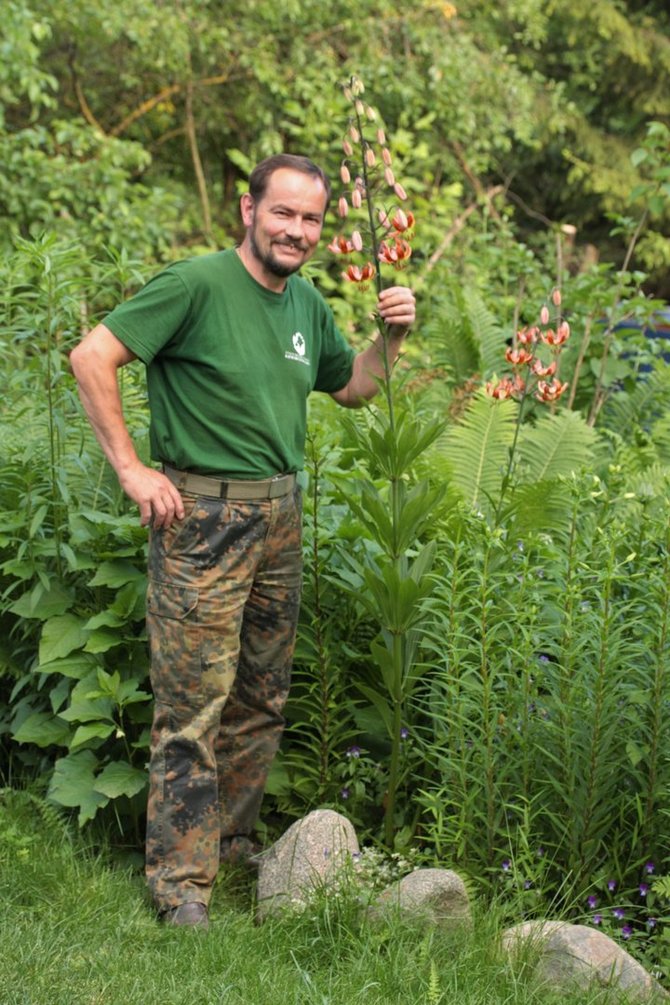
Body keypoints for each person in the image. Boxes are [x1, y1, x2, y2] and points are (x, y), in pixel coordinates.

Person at [70, 153, 415, 929]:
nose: (298, 230)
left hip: (280, 518)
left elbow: (353, 388)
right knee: (192, 704)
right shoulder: (195, 285)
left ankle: (229, 845)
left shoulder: (306, 305)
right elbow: (92, 356)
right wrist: (130, 468)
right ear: (248, 209)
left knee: (261, 698)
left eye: (312, 219)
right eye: (284, 212)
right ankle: (180, 886)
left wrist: (391, 337)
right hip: (203, 519)